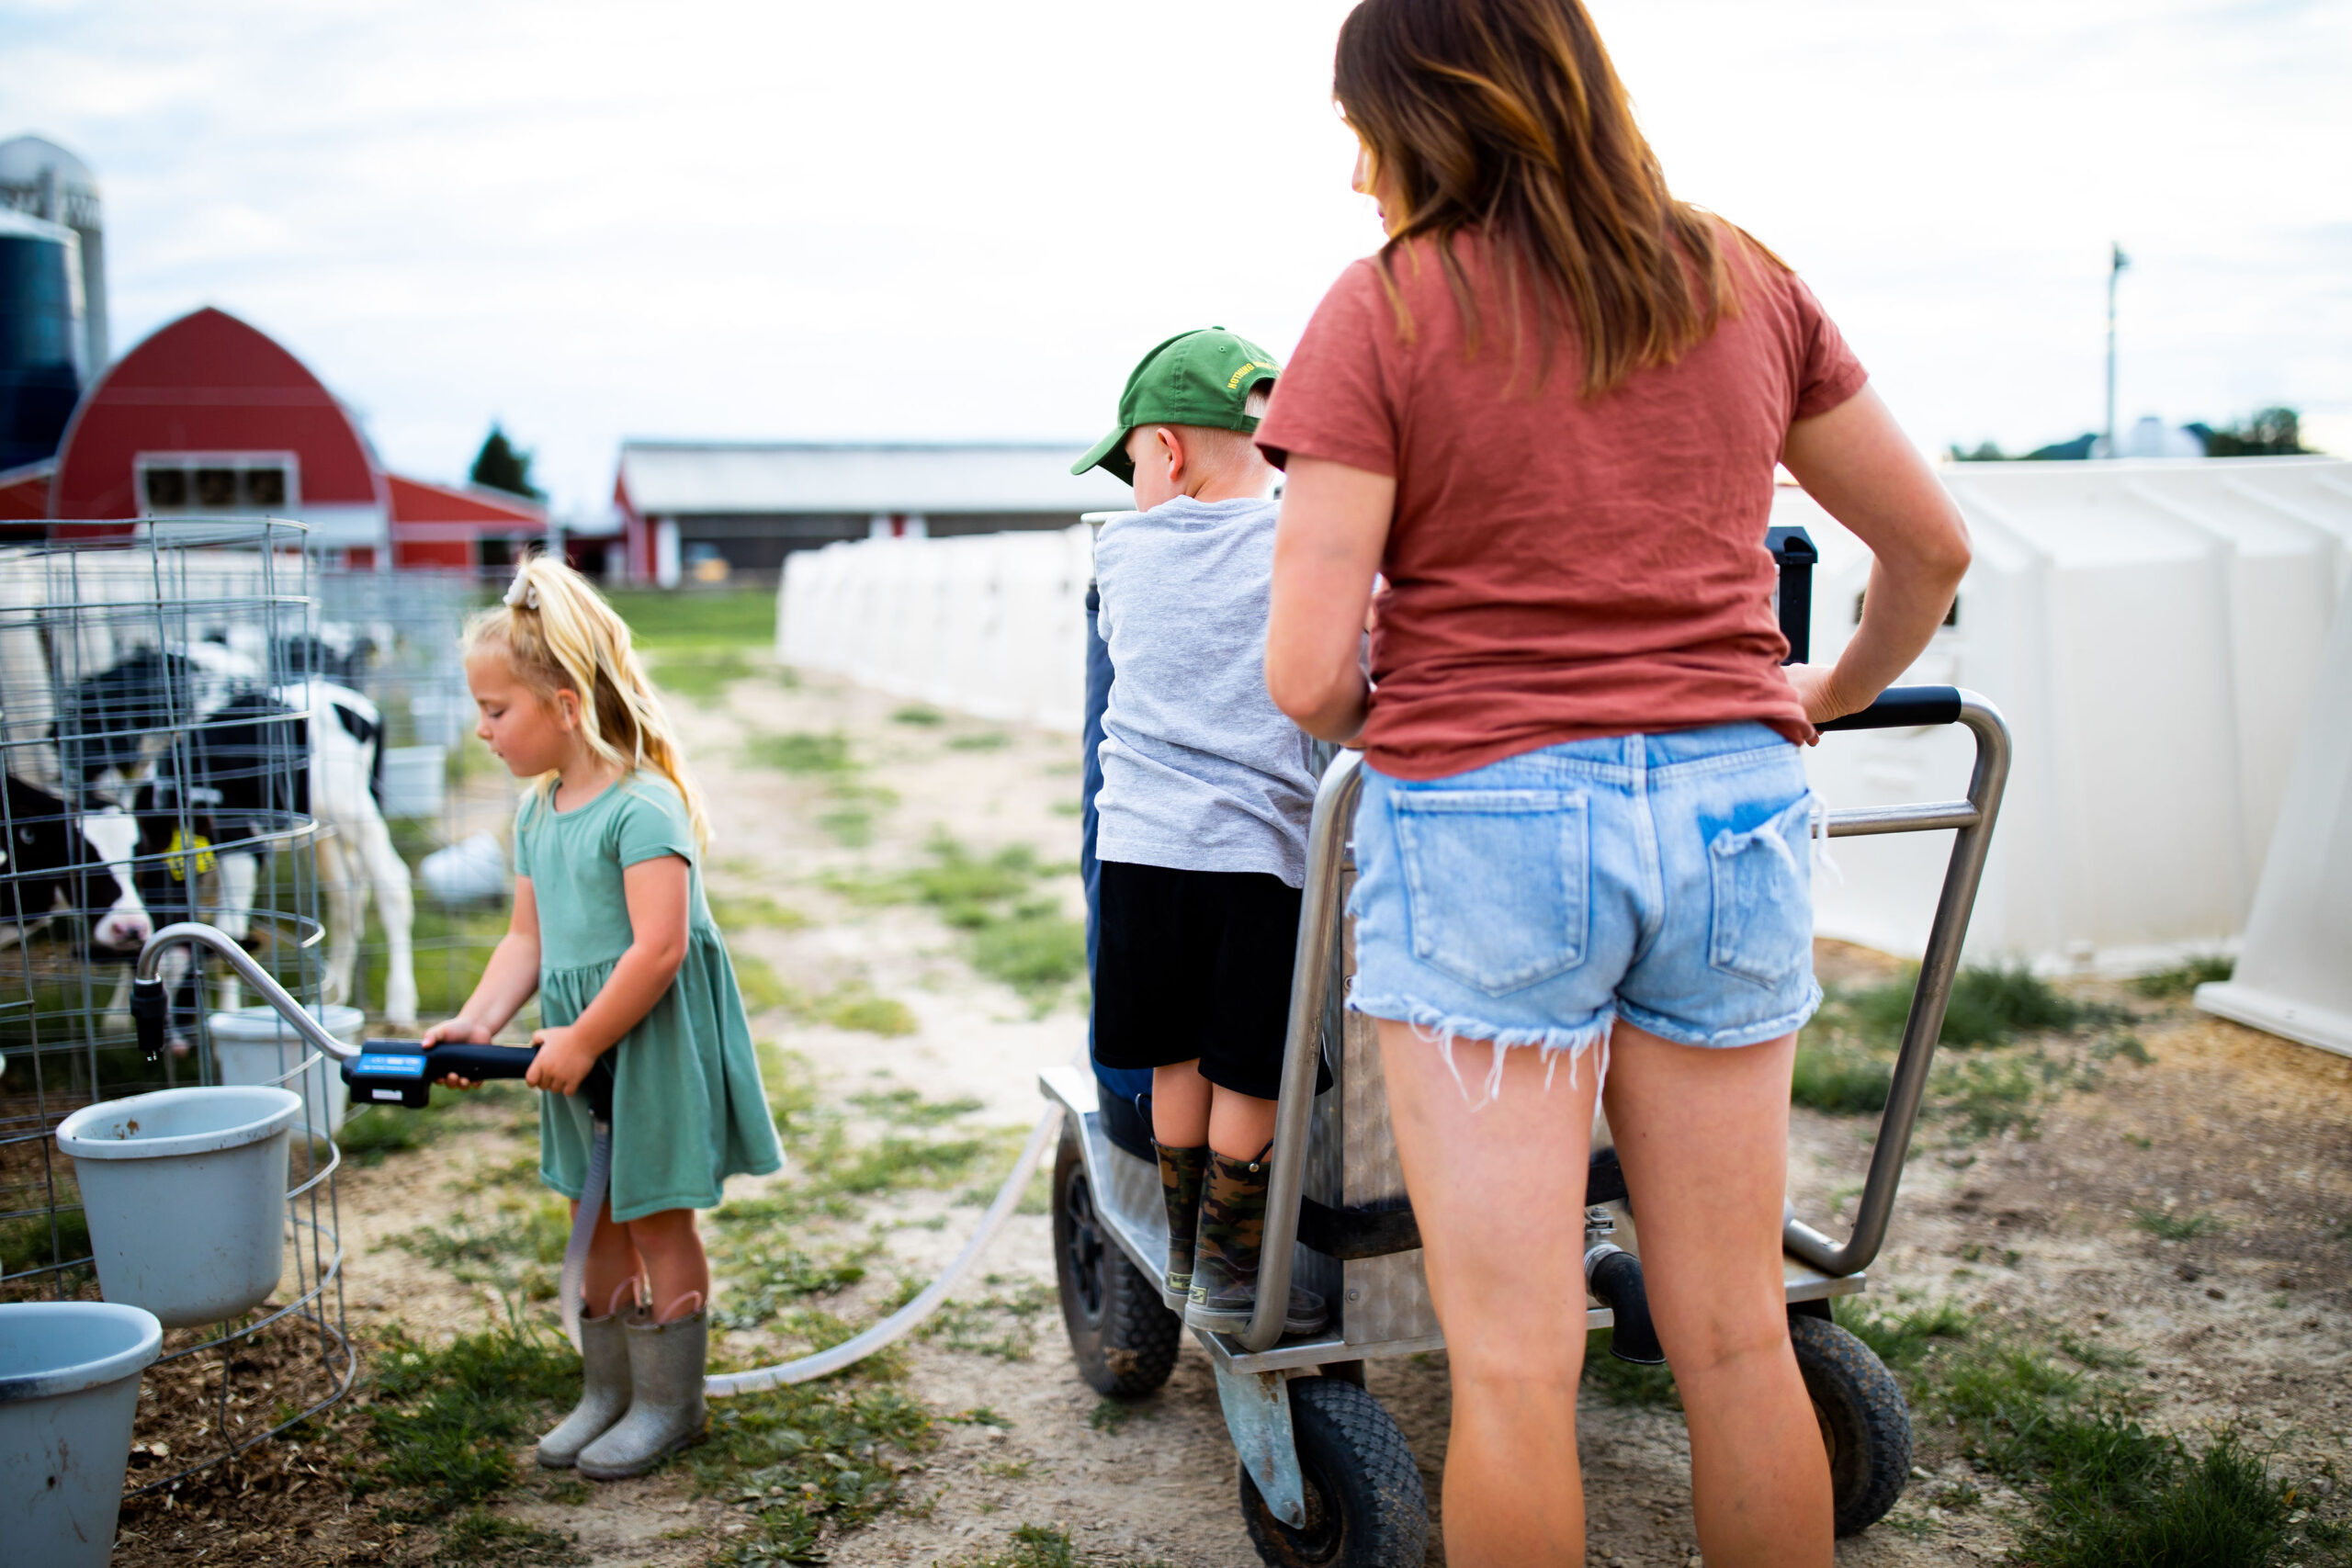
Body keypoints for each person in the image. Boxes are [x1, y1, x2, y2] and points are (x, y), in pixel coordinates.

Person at [1258, 2, 1973, 1563]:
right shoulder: (1738, 274)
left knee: (1516, 1365)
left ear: (1425, 113)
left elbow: (1306, 672)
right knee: (1733, 1339)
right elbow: (1931, 545)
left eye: (1359, 134)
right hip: (1733, 806)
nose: (1357, 176)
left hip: (1491, 819)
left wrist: (1458, 714)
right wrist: (1828, 691)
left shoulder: (1383, 308)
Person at [425, 554, 782, 1480]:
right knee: (593, 1219)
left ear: (565, 703)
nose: (481, 730)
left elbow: (659, 949)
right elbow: (524, 944)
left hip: (644, 1041)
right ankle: (606, 1392)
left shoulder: (641, 805)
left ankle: (670, 1404)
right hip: (575, 1051)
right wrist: (475, 1022)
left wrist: (585, 1037)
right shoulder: (537, 813)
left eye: (496, 711)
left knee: (654, 1216)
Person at [1074, 327, 1329, 1337]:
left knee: (1173, 1058)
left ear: (1167, 450)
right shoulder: (1298, 543)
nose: (1130, 481)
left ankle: (1182, 1252)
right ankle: (1232, 1269)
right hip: (1256, 858)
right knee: (1250, 1070)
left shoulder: (1119, 550)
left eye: (1130, 458)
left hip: (1138, 850)